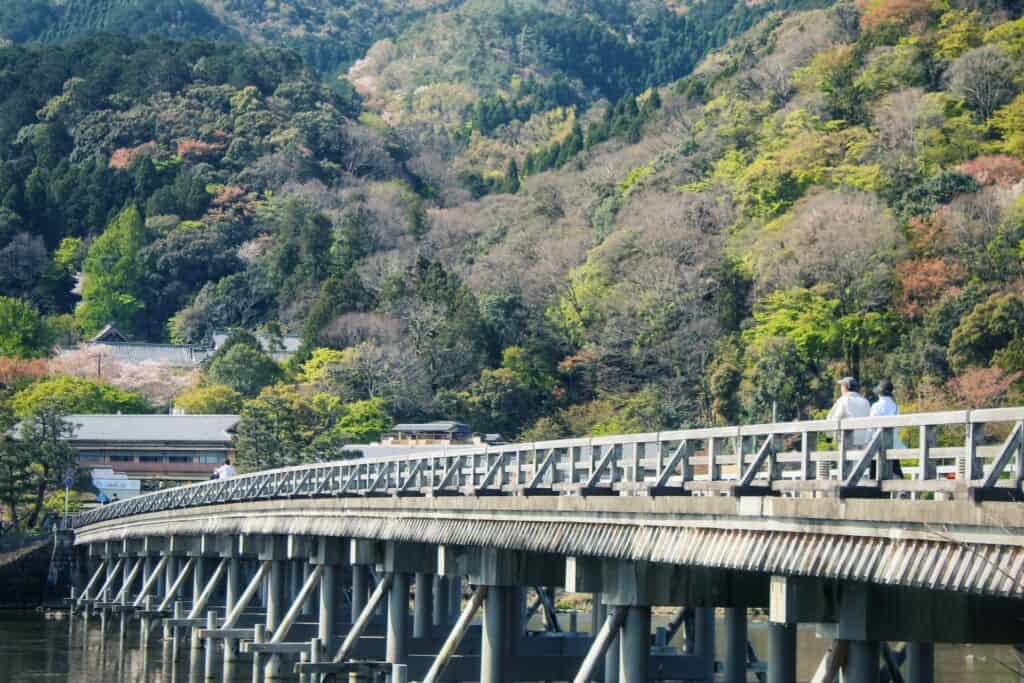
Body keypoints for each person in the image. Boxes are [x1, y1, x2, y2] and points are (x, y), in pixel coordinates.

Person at [870, 379, 905, 478]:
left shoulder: (875, 406)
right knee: (896, 467)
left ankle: (874, 492)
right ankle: (903, 489)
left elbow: (871, 426)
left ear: (879, 393)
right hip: (893, 441)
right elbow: (897, 428)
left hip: (877, 441)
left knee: (874, 470)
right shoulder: (895, 407)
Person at [827, 376, 871, 447]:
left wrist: (829, 440)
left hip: (848, 443)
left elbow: (833, 419)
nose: (841, 389)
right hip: (864, 443)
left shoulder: (844, 400)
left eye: (841, 386)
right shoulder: (866, 402)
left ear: (845, 387)